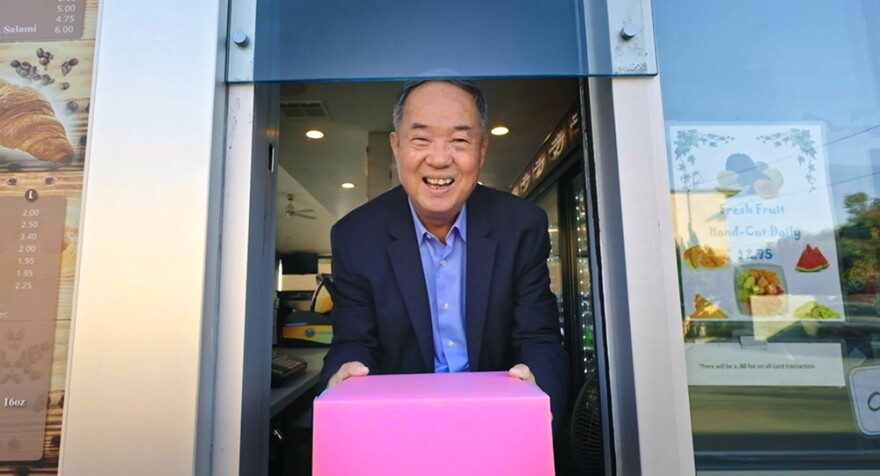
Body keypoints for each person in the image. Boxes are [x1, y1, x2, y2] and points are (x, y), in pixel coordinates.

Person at [319, 79, 569, 422]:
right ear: (396, 146)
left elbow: (538, 337)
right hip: (401, 422)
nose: (438, 159)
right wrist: (343, 377)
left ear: (482, 149)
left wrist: (538, 391)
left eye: (459, 140)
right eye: (421, 139)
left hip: (497, 417)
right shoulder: (356, 236)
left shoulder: (521, 226)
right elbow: (353, 341)